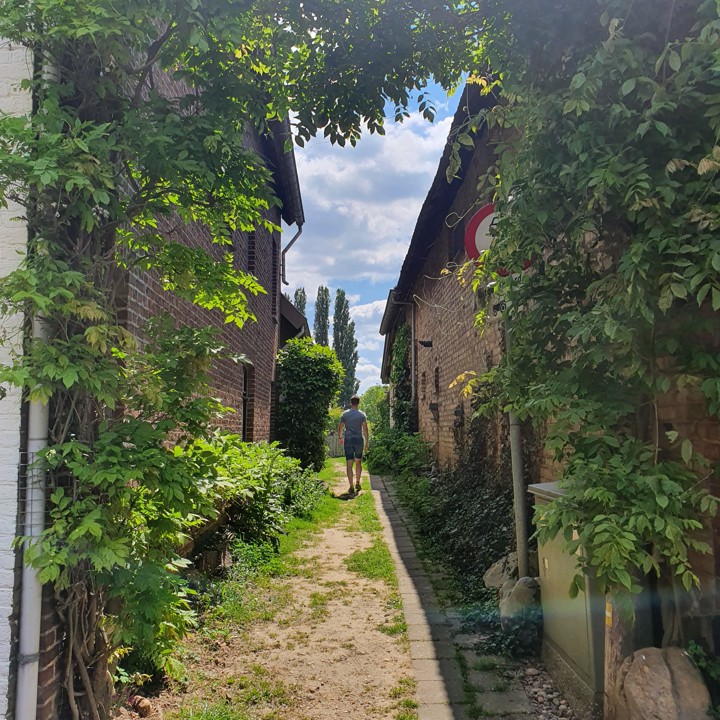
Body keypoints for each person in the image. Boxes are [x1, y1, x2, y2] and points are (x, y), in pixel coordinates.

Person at [337, 394, 369, 495]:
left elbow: (340, 427)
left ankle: (351, 486)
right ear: (358, 403)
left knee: (349, 463)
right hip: (359, 439)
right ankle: (358, 482)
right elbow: (365, 429)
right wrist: (367, 442)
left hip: (349, 440)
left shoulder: (345, 415)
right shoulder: (362, 415)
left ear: (351, 403)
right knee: (358, 461)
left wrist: (340, 437)